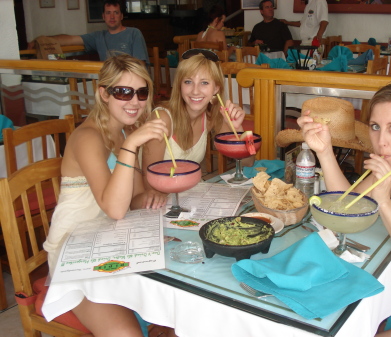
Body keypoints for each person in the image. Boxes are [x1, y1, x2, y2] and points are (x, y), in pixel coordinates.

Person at [296, 80, 391, 337]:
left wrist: (385, 200)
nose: (381, 141)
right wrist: (324, 152)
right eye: (376, 127)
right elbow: (348, 205)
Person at [43, 54, 169, 336]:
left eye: (141, 92)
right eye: (123, 92)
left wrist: (149, 196)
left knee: (175, 309)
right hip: (72, 254)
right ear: (103, 93)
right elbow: (114, 208)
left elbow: (133, 198)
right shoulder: (88, 137)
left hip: (108, 239)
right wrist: (133, 144)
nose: (134, 101)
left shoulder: (123, 134)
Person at [141, 48, 254, 192]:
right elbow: (148, 181)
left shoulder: (211, 117)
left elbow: (249, 160)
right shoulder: (162, 118)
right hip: (164, 198)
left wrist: (239, 129)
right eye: (188, 82)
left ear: (216, 89)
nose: (195, 90)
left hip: (192, 193)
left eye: (204, 83)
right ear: (179, 86)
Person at [27, 0, 149, 65]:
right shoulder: (98, 37)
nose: (112, 17)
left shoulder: (134, 33)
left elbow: (141, 65)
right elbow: (70, 39)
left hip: (131, 84)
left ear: (121, 16)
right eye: (108, 13)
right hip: (109, 85)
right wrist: (41, 40)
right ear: (103, 16)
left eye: (116, 12)